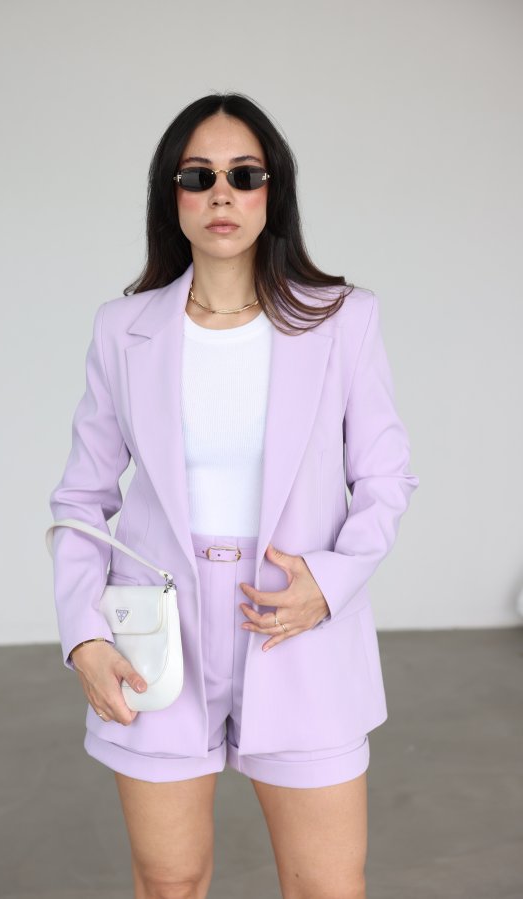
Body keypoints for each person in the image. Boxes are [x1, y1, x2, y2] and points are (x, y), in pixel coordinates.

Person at [48, 92, 420, 899]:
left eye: (244, 174)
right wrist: (83, 633)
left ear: (272, 192)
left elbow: (386, 476)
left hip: (297, 620)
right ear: (172, 195)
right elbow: (81, 497)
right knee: (169, 881)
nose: (222, 193)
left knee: (327, 886)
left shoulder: (344, 320)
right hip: (157, 628)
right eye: (199, 175)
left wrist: (331, 582)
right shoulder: (124, 330)